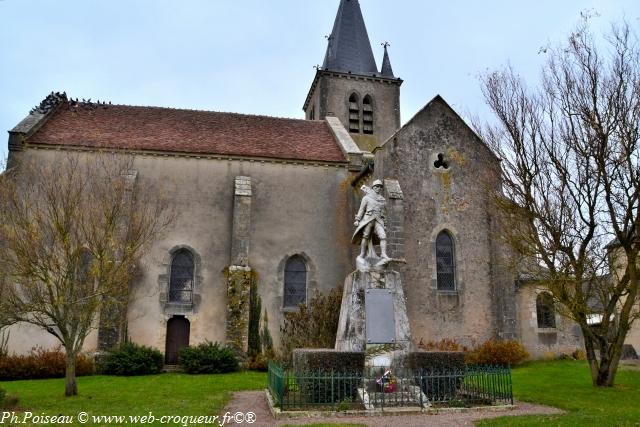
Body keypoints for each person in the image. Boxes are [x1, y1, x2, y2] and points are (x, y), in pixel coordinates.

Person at [352, 179, 390, 261]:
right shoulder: (366, 198)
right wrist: (358, 220)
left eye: (380, 187)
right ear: (373, 187)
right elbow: (361, 210)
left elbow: (384, 213)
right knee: (365, 236)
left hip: (378, 220)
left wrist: (385, 224)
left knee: (383, 236)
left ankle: (383, 254)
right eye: (377, 186)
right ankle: (362, 254)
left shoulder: (382, 200)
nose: (378, 188)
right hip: (368, 219)